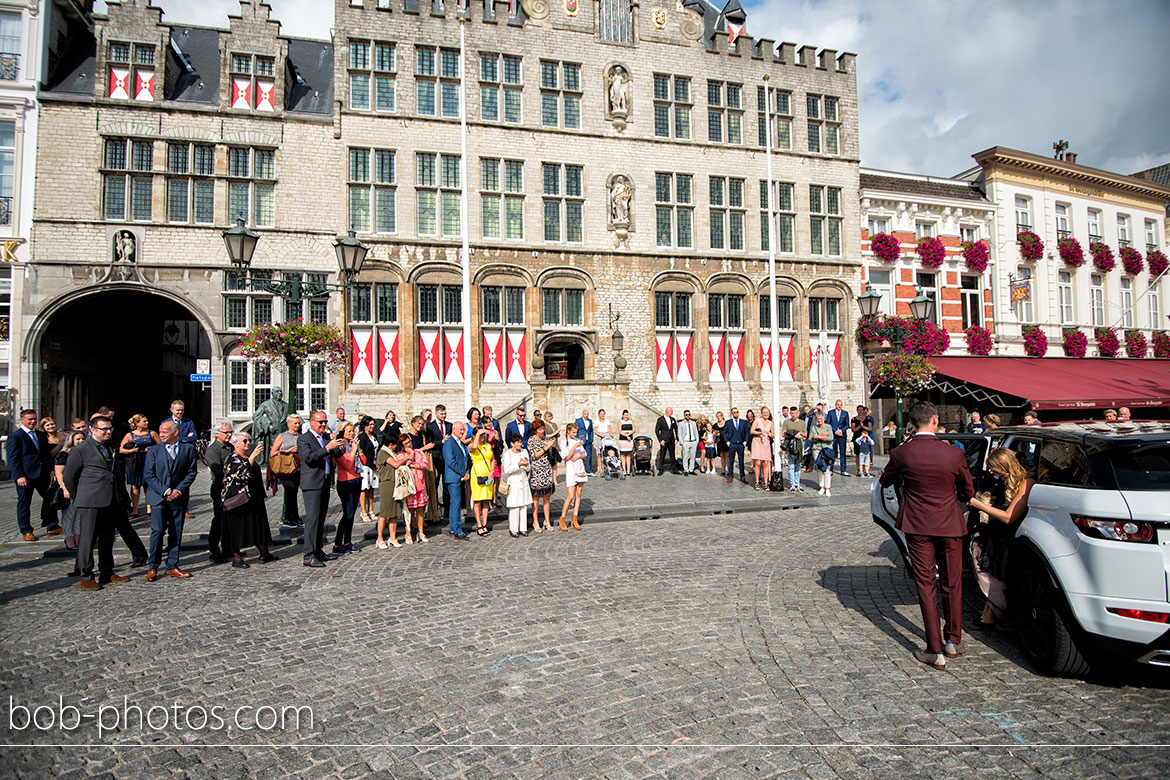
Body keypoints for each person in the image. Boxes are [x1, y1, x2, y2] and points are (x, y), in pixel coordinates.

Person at [879, 401, 975, 670]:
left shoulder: (902, 453)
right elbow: (968, 491)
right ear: (934, 420)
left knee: (925, 584)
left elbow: (885, 480)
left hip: (918, 524)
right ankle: (953, 640)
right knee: (952, 582)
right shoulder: (953, 454)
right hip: (949, 524)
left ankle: (934, 649)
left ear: (911, 423)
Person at [967, 448, 1033, 626]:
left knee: (1001, 576)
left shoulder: (1026, 483)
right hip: (1002, 535)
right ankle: (989, 614)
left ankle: (995, 614)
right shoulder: (1010, 483)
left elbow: (1009, 517)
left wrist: (979, 504)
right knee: (996, 575)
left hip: (1014, 538)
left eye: (996, 470)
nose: (995, 474)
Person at [63, 416, 130, 590]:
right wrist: (79, 495)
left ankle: (107, 571)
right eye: (104, 429)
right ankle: (86, 575)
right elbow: (69, 476)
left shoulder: (111, 447)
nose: (108, 432)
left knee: (108, 537)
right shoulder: (81, 450)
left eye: (110, 428)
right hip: (90, 499)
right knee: (88, 538)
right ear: (92, 430)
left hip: (109, 500)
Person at [141, 420, 198, 582]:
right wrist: (166, 491)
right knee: (157, 531)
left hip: (178, 498)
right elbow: (149, 475)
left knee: (176, 532)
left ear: (175, 432)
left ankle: (172, 565)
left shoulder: (188, 449)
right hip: (159, 497)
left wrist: (178, 490)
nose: (161, 434)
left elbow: (191, 472)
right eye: (160, 431)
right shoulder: (153, 451)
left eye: (165, 431)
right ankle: (153, 566)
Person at [220, 431, 275, 568]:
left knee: (258, 526)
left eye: (249, 440)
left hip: (254, 498)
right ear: (235, 443)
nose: (248, 443)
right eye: (244, 441)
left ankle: (264, 553)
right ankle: (236, 557)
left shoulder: (246, 456)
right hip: (239, 500)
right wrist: (251, 459)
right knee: (237, 528)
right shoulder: (232, 458)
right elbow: (239, 475)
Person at [298, 410, 345, 567]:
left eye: (325, 422)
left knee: (320, 518)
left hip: (325, 481)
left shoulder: (325, 437)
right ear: (311, 423)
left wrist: (340, 446)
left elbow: (335, 454)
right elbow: (309, 458)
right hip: (312, 483)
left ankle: (318, 550)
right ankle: (308, 554)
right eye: (320, 422)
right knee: (312, 519)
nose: (323, 425)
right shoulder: (304, 439)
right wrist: (327, 448)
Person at [7, 408, 58, 541]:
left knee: (50, 499)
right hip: (26, 475)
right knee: (24, 503)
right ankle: (26, 530)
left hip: (42, 474)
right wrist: (19, 475)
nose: (33, 422)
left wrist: (51, 471)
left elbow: (46, 455)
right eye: (30, 419)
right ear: (22, 420)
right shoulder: (15, 437)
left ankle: (52, 526)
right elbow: (13, 458)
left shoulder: (40, 435)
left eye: (34, 419)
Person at [331, 421, 366, 555]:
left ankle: (347, 541)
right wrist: (354, 450)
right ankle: (338, 543)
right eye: (349, 431)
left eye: (353, 431)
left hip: (356, 479)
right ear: (342, 433)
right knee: (348, 513)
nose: (352, 434)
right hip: (345, 481)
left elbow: (363, 461)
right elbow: (347, 464)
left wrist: (358, 449)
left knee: (351, 514)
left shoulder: (353, 446)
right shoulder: (340, 447)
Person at [55, 431, 89, 567]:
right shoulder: (64, 454)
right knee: (69, 515)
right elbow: (59, 473)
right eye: (77, 439)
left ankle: (77, 538)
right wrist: (65, 488)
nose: (80, 441)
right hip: (69, 487)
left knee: (78, 515)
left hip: (82, 487)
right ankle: (69, 539)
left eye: (82, 438)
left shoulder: (86, 452)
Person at [204, 421, 234, 564]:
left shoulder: (230, 447)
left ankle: (228, 548)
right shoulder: (213, 450)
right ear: (217, 434)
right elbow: (217, 470)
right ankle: (214, 550)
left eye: (230, 432)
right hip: (219, 487)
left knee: (229, 520)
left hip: (231, 487)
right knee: (219, 519)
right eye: (226, 433)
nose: (229, 435)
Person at [119, 414, 158, 518]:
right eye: (144, 421)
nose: (147, 423)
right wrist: (133, 450)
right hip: (134, 462)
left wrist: (152, 449)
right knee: (135, 486)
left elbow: (160, 446)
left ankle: (149, 507)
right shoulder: (130, 435)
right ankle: (135, 509)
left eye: (147, 421)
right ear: (137, 423)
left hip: (148, 460)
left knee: (147, 485)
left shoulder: (152, 433)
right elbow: (121, 449)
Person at [375, 435, 410, 548]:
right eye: (395, 445)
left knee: (394, 512)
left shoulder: (392, 453)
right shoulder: (383, 453)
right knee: (385, 512)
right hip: (387, 483)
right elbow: (395, 464)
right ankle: (380, 538)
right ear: (390, 445)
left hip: (395, 483)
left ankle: (392, 537)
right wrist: (407, 457)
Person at [269, 414, 303, 528]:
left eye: (298, 423)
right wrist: (288, 450)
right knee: (290, 491)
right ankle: (289, 518)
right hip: (285, 468)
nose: (297, 425)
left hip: (297, 468)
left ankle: (294, 517)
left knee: (294, 492)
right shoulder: (282, 436)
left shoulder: (301, 436)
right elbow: (273, 453)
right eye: (295, 423)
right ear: (288, 424)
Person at [526, 420, 557, 532]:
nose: (542, 431)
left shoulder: (546, 439)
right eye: (540, 429)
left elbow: (550, 454)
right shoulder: (531, 440)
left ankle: (547, 521)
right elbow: (534, 456)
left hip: (546, 469)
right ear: (535, 430)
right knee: (536, 497)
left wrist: (550, 446)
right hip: (537, 471)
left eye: (543, 429)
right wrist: (545, 447)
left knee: (547, 496)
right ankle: (535, 521)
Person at [442, 421, 470, 540]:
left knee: (456, 503)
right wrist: (463, 473)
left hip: (460, 476)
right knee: (456, 503)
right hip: (454, 477)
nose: (462, 432)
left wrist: (467, 470)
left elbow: (464, 457)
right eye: (461, 430)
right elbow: (451, 461)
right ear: (454, 430)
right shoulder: (449, 443)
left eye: (463, 430)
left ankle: (455, 528)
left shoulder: (460, 443)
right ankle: (456, 529)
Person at [502, 432, 533, 537]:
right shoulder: (508, 454)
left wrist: (526, 464)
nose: (519, 445)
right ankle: (513, 528)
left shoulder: (524, 452)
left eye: (520, 442)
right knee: (514, 506)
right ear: (512, 444)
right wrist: (518, 465)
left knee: (523, 506)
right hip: (514, 481)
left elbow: (528, 468)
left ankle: (523, 528)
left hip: (523, 480)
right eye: (517, 443)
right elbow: (507, 470)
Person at [559, 422, 587, 531]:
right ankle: (562, 519)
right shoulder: (564, 442)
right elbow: (566, 457)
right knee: (570, 496)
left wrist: (580, 455)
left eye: (576, 432)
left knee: (578, 494)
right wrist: (575, 446)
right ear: (568, 431)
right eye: (573, 432)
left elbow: (584, 454)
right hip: (571, 468)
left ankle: (574, 518)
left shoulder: (577, 441)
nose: (575, 434)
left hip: (579, 467)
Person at [403, 434, 430, 544]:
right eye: (406, 443)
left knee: (420, 509)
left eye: (409, 442)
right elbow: (403, 465)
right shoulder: (401, 455)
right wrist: (410, 456)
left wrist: (414, 464)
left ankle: (420, 532)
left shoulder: (419, 452)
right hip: (409, 485)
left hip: (420, 484)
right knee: (408, 510)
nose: (409, 444)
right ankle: (408, 532)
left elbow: (425, 464)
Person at [468, 428, 495, 537]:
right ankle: (479, 524)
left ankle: (484, 523)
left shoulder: (487, 446)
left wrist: (492, 471)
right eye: (480, 435)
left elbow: (492, 459)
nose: (482, 437)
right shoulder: (471, 446)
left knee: (486, 500)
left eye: (483, 435)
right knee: (478, 500)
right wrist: (477, 435)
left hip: (487, 475)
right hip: (477, 475)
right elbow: (474, 447)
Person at [429, 405, 454, 514]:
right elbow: (429, 443)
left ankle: (447, 510)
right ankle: (434, 509)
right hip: (435, 458)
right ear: (436, 414)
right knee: (434, 484)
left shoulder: (449, 425)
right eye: (441, 414)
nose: (444, 416)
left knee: (446, 484)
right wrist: (441, 442)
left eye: (445, 414)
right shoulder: (430, 426)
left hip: (446, 459)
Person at [357, 416, 380, 523]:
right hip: (366, 465)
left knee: (372, 488)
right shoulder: (362, 437)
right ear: (365, 426)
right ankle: (363, 511)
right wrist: (372, 465)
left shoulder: (373, 435)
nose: (372, 426)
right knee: (364, 488)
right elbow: (363, 454)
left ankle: (371, 510)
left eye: (373, 424)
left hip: (374, 464)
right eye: (369, 425)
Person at [809, 411, 834, 496]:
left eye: (821, 419)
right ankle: (821, 486)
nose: (819, 420)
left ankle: (828, 488)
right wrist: (822, 435)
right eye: (818, 419)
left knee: (827, 468)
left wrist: (818, 436)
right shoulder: (814, 428)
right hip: (817, 449)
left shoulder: (828, 427)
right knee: (819, 468)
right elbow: (811, 438)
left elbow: (830, 438)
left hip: (826, 450)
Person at [781, 407, 806, 492]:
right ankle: (792, 485)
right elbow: (783, 434)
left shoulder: (802, 423)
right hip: (790, 446)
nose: (793, 415)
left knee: (798, 465)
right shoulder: (786, 422)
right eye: (791, 413)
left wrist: (801, 434)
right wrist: (793, 435)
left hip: (800, 446)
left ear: (798, 413)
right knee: (791, 466)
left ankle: (797, 484)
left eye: (795, 413)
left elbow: (805, 434)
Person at [750, 407, 775, 490]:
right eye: (764, 412)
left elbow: (773, 434)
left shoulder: (770, 423)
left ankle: (766, 482)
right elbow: (752, 431)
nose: (766, 414)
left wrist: (769, 434)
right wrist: (760, 432)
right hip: (757, 441)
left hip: (766, 442)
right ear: (761, 413)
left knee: (766, 463)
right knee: (758, 462)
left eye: (767, 412)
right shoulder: (757, 420)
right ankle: (757, 481)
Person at [723, 408, 749, 484]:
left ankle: (742, 476)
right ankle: (730, 475)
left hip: (741, 443)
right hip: (732, 444)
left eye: (737, 412)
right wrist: (727, 441)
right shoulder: (728, 422)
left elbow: (746, 432)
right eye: (734, 412)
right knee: (731, 461)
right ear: (732, 413)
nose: (736, 414)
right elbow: (724, 432)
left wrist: (745, 441)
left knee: (741, 461)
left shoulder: (743, 422)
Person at [825, 400, 849, 477]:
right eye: (838, 405)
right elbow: (828, 423)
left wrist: (841, 430)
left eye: (840, 405)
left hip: (842, 435)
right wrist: (835, 430)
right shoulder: (831, 413)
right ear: (835, 405)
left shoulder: (845, 413)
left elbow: (847, 424)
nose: (839, 406)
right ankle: (831, 469)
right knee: (832, 452)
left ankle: (843, 470)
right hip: (834, 435)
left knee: (842, 453)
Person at [850, 406, 874, 476]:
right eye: (859, 410)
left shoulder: (868, 419)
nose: (860, 411)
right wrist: (860, 426)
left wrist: (863, 427)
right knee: (858, 454)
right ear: (857, 411)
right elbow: (853, 429)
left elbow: (870, 429)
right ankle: (859, 470)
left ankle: (867, 470)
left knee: (867, 453)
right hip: (857, 439)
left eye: (861, 410)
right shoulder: (854, 419)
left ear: (863, 411)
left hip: (866, 439)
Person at [655, 407, 678, 476]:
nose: (672, 413)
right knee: (662, 454)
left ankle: (673, 468)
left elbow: (676, 429)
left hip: (671, 439)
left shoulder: (672, 419)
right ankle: (661, 469)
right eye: (671, 411)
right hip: (664, 440)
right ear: (668, 411)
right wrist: (660, 440)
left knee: (672, 454)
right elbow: (657, 430)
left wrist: (677, 438)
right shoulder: (660, 420)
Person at [678, 409, 699, 475]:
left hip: (693, 441)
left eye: (689, 414)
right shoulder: (681, 423)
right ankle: (686, 470)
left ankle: (691, 469)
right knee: (685, 457)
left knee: (693, 457)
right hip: (686, 441)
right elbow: (679, 433)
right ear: (684, 415)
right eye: (686, 415)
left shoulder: (693, 423)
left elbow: (695, 432)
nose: (688, 416)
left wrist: (696, 441)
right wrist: (682, 442)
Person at [574, 408, 595, 474]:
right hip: (581, 440)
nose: (586, 415)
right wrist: (577, 439)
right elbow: (575, 430)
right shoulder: (578, 420)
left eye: (587, 414)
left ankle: (589, 471)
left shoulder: (590, 421)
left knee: (589, 455)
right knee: (579, 454)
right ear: (582, 414)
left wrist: (591, 439)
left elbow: (591, 430)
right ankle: (579, 470)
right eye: (585, 414)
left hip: (588, 440)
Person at [617, 410, 635, 476]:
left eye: (627, 415)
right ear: (622, 415)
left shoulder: (631, 421)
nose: (626, 416)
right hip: (623, 439)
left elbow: (634, 429)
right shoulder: (620, 422)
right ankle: (624, 470)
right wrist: (626, 435)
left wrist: (629, 434)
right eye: (625, 415)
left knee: (628, 455)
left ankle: (628, 470)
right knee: (623, 454)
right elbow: (620, 431)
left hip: (629, 440)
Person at [713, 411, 728, 476]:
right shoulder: (715, 425)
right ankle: (723, 470)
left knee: (727, 456)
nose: (718, 417)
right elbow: (713, 434)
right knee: (722, 456)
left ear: (722, 416)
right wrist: (715, 433)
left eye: (719, 416)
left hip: (726, 441)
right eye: (717, 416)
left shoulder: (727, 423)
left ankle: (729, 470)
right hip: (720, 442)